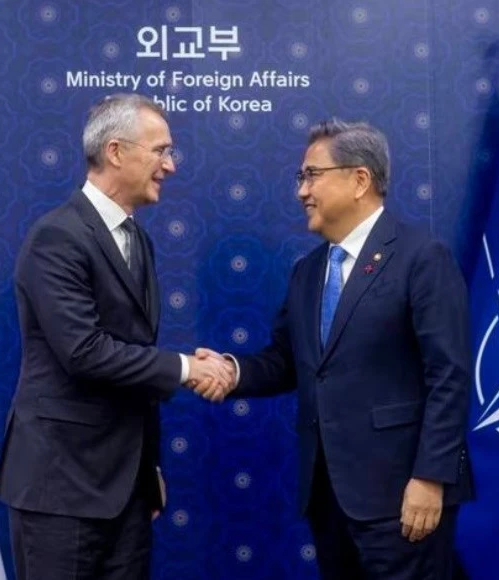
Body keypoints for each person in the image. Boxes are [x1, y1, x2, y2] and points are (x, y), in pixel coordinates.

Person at [194, 119, 474, 579]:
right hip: (330, 499)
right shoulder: (309, 270)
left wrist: (430, 477)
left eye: (312, 175)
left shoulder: (421, 258)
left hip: (405, 496)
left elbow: (449, 375)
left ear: (360, 179)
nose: (301, 191)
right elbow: (287, 361)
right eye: (300, 178)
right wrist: (229, 370)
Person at [0, 93, 233, 580]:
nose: (170, 165)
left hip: (125, 491)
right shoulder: (56, 237)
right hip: (61, 487)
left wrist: (148, 471)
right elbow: (84, 352)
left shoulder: (137, 238)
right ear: (117, 151)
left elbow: (135, 360)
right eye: (161, 150)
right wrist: (187, 368)